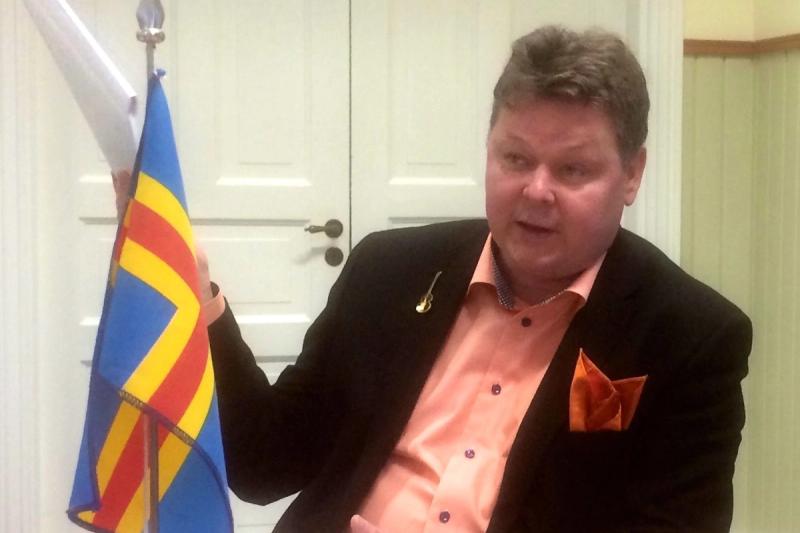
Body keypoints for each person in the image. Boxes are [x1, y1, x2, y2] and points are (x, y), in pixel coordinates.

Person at [116, 25, 752, 533]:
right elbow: (266, 462)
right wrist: (199, 300)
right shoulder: (389, 271)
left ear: (632, 174)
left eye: (573, 170)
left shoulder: (691, 336)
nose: (536, 191)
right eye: (516, 158)